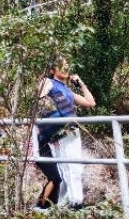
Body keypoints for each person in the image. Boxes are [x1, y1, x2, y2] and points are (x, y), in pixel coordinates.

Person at [35, 54, 96, 210]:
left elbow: (90, 103)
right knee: (69, 168)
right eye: (61, 65)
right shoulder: (48, 82)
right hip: (58, 132)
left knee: (70, 168)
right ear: (52, 70)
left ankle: (64, 204)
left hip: (71, 132)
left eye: (67, 64)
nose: (66, 67)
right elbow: (38, 99)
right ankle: (76, 204)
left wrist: (81, 84)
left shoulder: (67, 90)